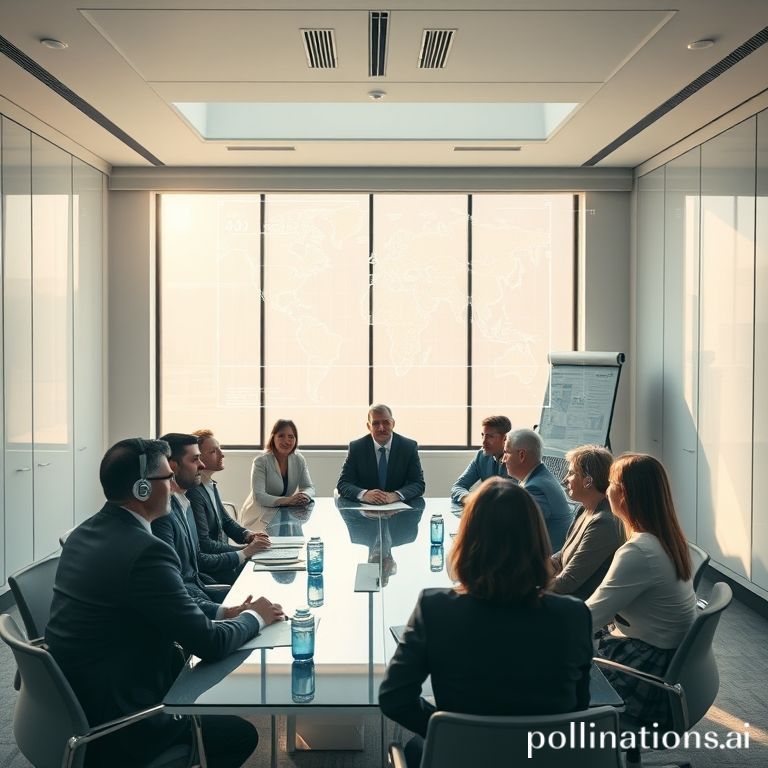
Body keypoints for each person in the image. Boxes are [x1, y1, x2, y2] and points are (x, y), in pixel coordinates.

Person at [45, 437, 285, 768]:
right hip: (121, 723)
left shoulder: (83, 534)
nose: (174, 484)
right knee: (240, 735)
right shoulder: (146, 551)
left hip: (74, 703)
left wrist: (226, 612)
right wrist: (254, 618)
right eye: (166, 476)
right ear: (143, 489)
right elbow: (209, 643)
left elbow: (163, 604)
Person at [379, 477, 592, 768]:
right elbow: (578, 707)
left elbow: (394, 698)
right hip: (545, 758)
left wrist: (451, 731)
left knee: (414, 749)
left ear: (467, 541)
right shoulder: (574, 615)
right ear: (536, 539)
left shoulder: (435, 608)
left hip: (461, 757)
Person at [587, 453, 697, 729]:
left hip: (643, 672)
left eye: (610, 483)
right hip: (666, 664)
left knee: (549, 668)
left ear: (624, 494)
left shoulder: (639, 551)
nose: (606, 489)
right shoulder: (670, 539)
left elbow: (589, 617)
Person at [152, 433, 263, 616]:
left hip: (202, 588)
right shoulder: (165, 515)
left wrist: (248, 537)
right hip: (195, 599)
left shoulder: (184, 505)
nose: (201, 465)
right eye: (196, 459)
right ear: (172, 468)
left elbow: (195, 563)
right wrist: (227, 612)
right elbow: (177, 592)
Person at [187, 428, 270, 584]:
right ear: (198, 458)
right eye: (213, 451)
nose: (222, 454)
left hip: (225, 561)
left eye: (220, 449)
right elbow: (205, 545)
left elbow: (225, 521)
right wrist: (246, 551)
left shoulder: (210, 485)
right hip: (215, 569)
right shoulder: (194, 493)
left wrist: (249, 535)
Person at [551, 445, 624, 600]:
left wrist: (529, 587)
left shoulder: (604, 522)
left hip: (580, 609)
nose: (564, 480)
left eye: (571, 473)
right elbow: (561, 557)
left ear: (588, 481)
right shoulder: (583, 510)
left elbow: (568, 583)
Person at [337, 404, 425, 503]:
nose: (381, 428)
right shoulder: (357, 447)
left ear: (393, 424)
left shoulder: (408, 447)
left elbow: (418, 484)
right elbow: (343, 484)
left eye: (386, 422)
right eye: (375, 423)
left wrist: (396, 495)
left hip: (399, 510)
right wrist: (364, 494)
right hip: (364, 512)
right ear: (369, 426)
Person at [503, 428, 573, 551]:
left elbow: (516, 530)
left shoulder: (536, 487)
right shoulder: (539, 477)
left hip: (547, 562)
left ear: (521, 455)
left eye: (506, 453)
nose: (503, 459)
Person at [240, 419, 316, 528]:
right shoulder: (261, 461)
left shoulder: (299, 459)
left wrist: (304, 495)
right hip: (258, 517)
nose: (286, 441)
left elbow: (309, 487)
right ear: (273, 438)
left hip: (284, 516)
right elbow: (259, 496)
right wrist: (289, 500)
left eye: (291, 437)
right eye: (281, 436)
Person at [449, 415, 512, 504]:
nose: (484, 441)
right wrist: (470, 499)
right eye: (483, 435)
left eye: (490, 436)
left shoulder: (515, 459)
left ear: (505, 438)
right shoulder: (481, 456)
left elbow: (513, 497)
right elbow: (458, 487)